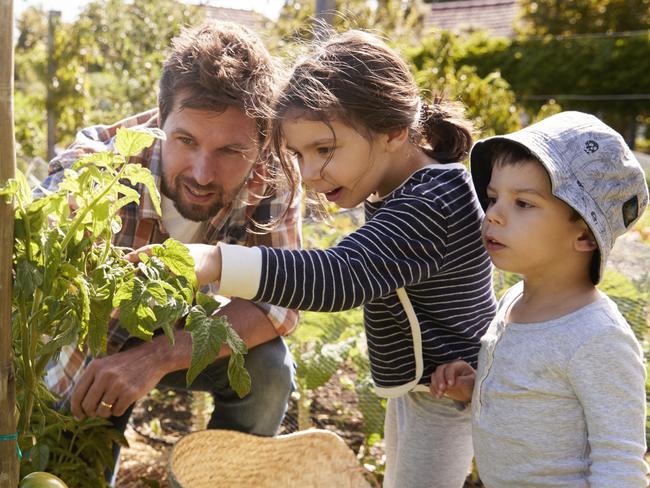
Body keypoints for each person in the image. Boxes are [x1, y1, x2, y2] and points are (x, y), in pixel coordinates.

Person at [139, 30, 497, 488]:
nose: (308, 175)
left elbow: (339, 276)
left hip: (450, 395)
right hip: (430, 390)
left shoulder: (432, 202)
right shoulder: (401, 188)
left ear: (393, 131)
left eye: (324, 150)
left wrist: (216, 261)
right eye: (298, 154)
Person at [40, 21, 301, 481]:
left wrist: (155, 357)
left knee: (268, 369)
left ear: (261, 144)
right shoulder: (104, 166)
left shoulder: (273, 180)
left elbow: (276, 304)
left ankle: (217, 477)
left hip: (193, 333)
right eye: (186, 141)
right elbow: (52, 212)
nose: (202, 173)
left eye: (229, 151)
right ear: (160, 118)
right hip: (95, 349)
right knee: (70, 470)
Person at [431, 111, 649, 487]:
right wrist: (479, 386)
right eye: (494, 197)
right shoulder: (514, 300)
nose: (493, 215)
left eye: (524, 204)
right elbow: (541, 398)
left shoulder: (597, 338)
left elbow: (621, 464)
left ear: (584, 235)